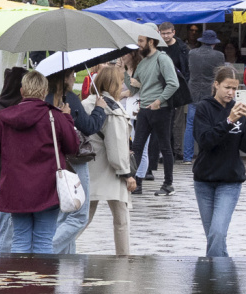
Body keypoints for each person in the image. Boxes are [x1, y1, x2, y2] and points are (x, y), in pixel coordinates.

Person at [0, 69, 79, 254]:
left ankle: (20, 282)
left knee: (20, 239)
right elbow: (73, 147)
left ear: (22, 91)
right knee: (44, 241)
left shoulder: (5, 117)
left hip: (16, 189)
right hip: (47, 189)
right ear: (44, 93)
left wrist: (9, 162)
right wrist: (66, 117)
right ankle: (41, 283)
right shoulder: (55, 117)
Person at [192, 64, 246, 257]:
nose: (231, 92)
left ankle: (214, 282)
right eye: (227, 87)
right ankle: (222, 282)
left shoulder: (240, 109)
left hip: (230, 180)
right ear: (216, 85)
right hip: (204, 180)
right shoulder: (204, 107)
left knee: (218, 233)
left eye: (235, 88)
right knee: (213, 237)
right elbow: (204, 140)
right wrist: (228, 121)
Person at [77, 63, 136, 255]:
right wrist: (126, 173)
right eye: (120, 82)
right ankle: (123, 257)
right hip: (112, 170)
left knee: (83, 218)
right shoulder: (114, 109)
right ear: (113, 84)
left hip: (89, 168)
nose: (122, 86)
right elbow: (117, 146)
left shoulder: (85, 103)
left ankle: (60, 248)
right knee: (121, 220)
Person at [49, 68, 107, 255]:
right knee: (79, 214)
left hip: (52, 160)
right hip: (74, 160)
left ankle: (67, 264)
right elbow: (89, 126)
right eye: (72, 74)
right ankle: (46, 252)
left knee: (63, 215)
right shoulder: (69, 99)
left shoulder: (46, 98)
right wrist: (100, 109)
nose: (75, 77)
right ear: (64, 77)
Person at [129, 29, 179, 196]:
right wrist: (124, 70)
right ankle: (136, 183)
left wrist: (159, 101)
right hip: (144, 109)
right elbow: (132, 87)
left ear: (151, 42)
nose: (138, 45)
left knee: (165, 146)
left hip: (161, 109)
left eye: (141, 41)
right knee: (137, 146)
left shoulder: (162, 59)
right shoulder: (142, 63)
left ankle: (168, 184)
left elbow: (173, 83)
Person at [0, 65, 27, 254]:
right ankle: (2, 266)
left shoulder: (22, 109)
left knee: (15, 228)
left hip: (18, 176)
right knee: (7, 227)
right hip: (4, 176)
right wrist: (9, 165)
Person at [183, 28, 224, 163]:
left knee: (190, 124)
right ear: (213, 43)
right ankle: (206, 154)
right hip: (209, 92)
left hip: (193, 91)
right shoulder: (218, 55)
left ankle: (187, 157)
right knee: (209, 124)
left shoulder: (192, 53)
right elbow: (221, 75)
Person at [158, 22, 192, 171]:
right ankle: (165, 150)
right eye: (163, 33)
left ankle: (176, 150)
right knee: (163, 120)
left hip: (177, 88)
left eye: (168, 33)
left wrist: (183, 83)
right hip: (160, 88)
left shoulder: (182, 48)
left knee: (177, 121)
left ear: (173, 32)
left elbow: (187, 69)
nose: (165, 36)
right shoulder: (157, 47)